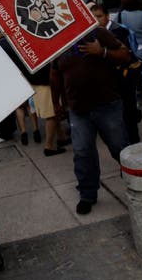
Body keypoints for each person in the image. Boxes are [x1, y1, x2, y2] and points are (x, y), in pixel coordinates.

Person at [50, 27, 130, 215]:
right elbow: (54, 75)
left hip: (107, 105)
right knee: (82, 152)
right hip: (78, 109)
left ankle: (136, 181)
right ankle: (87, 194)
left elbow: (125, 55)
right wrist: (56, 103)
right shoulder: (55, 41)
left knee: (120, 148)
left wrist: (101, 51)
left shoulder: (97, 33)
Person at [92, 4, 142, 144]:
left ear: (107, 16)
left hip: (125, 76)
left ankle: (133, 142)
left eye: (99, 16)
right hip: (111, 81)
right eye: (94, 17)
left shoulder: (119, 31)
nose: (96, 20)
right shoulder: (95, 33)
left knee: (129, 111)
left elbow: (127, 54)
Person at [117, 0, 142, 108]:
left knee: (131, 76)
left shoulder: (120, 16)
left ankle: (134, 102)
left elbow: (118, 32)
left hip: (129, 50)